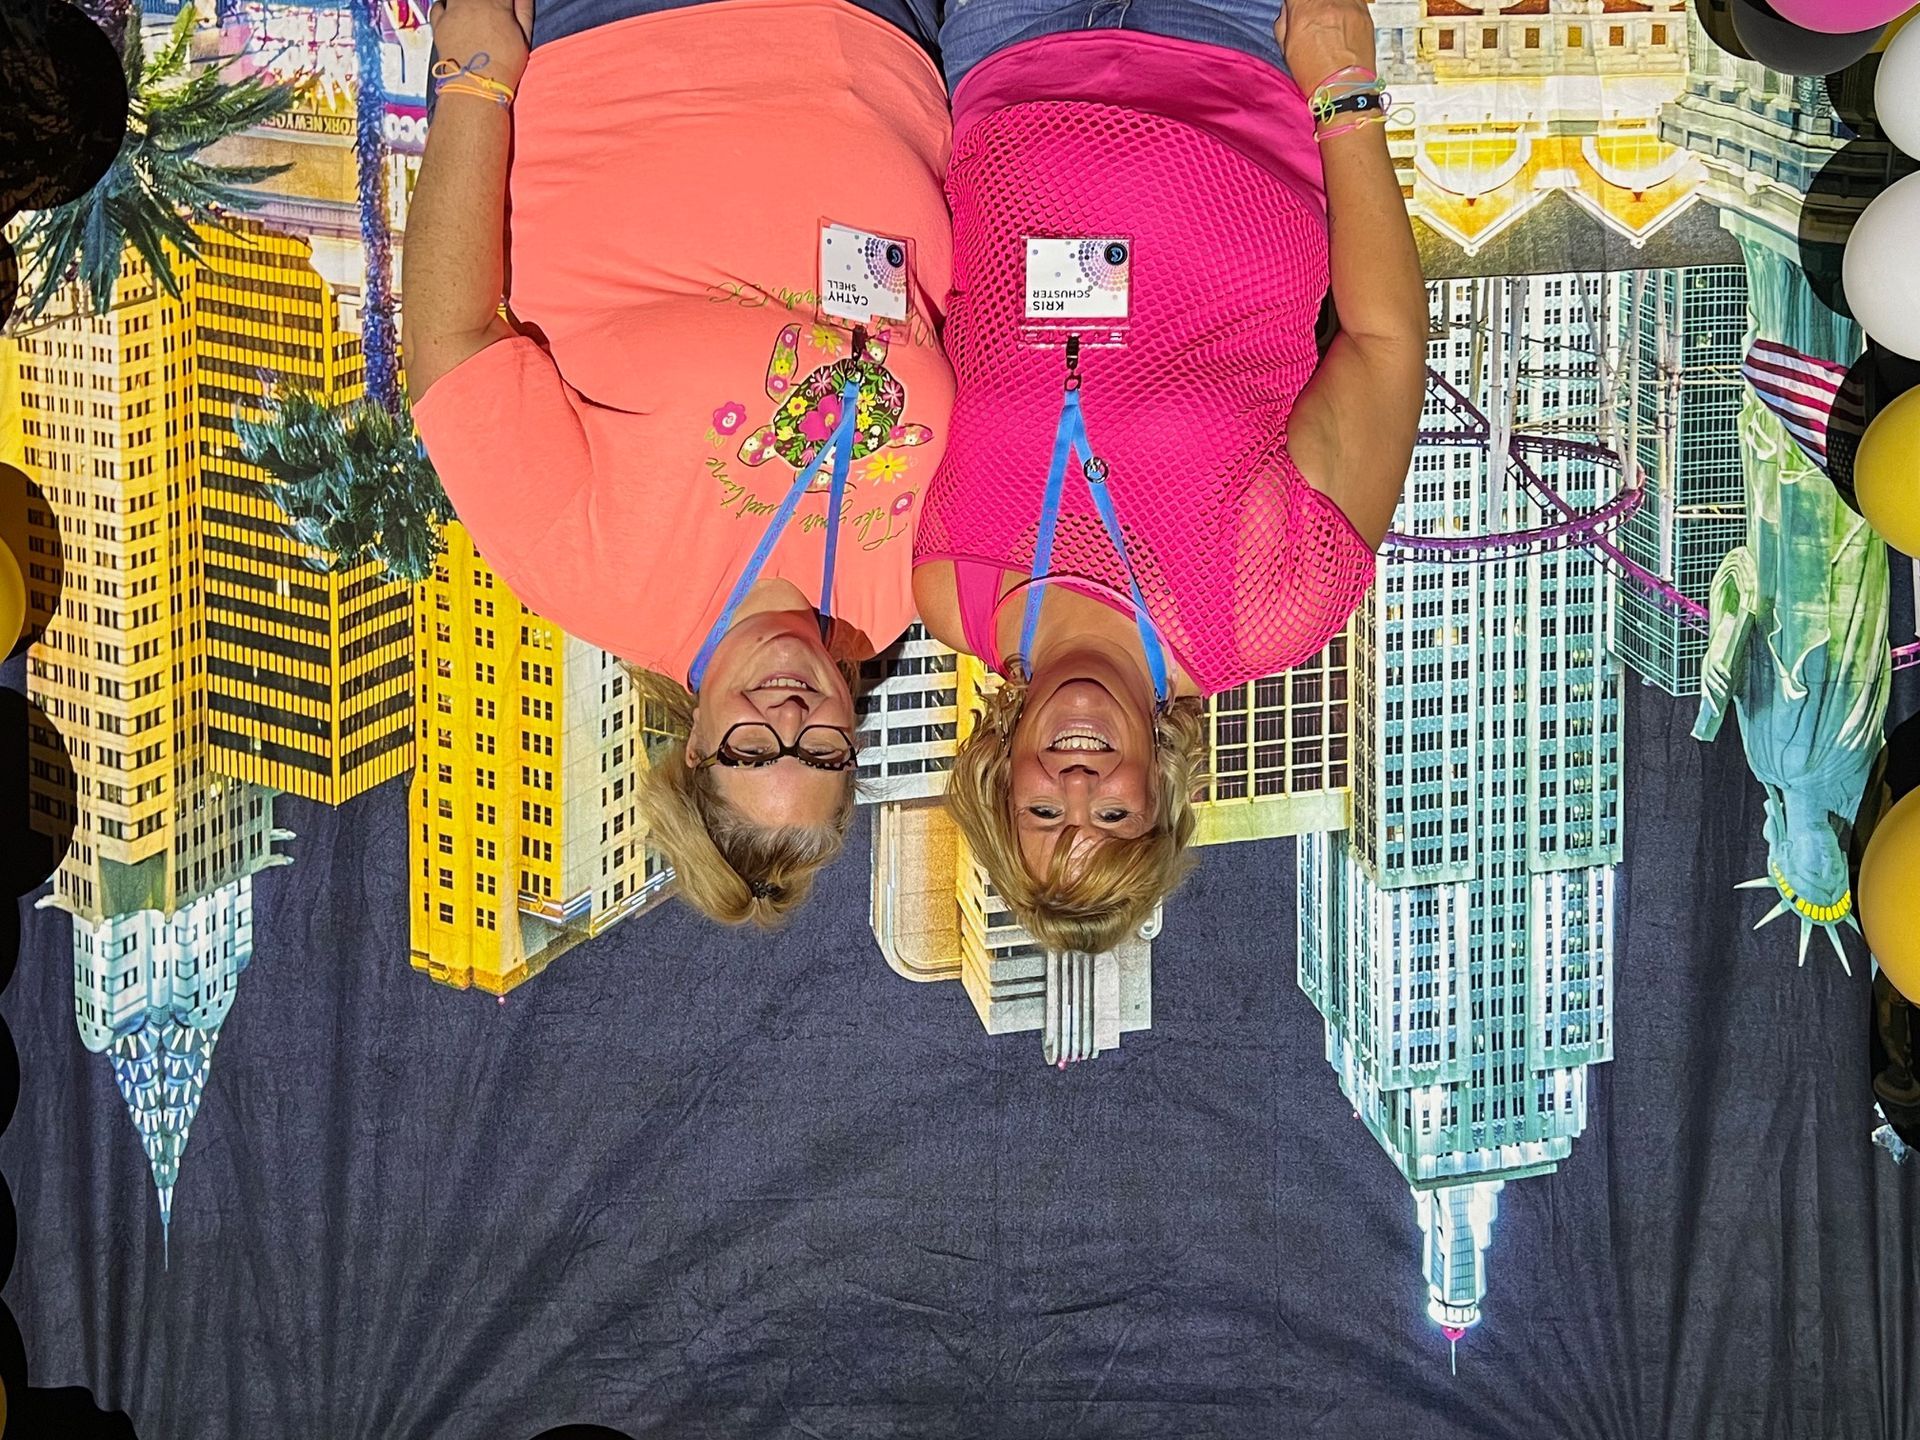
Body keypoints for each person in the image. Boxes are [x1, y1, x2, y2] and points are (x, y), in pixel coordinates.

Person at [404, 0, 955, 924]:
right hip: (878, 42)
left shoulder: (590, 580)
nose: (789, 720)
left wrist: (474, 78)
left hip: (635, 41)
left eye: (753, 753)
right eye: (820, 755)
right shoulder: (899, 597)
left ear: (695, 747)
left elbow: (448, 343)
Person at [912, 0, 1426, 953]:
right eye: (1111, 821)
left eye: (1042, 819)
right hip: (1229, 60)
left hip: (1005, 57)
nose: (1077, 789)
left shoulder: (951, 585)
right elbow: (1385, 347)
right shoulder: (1267, 614)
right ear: (1160, 794)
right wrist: (1343, 95)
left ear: (1001, 784)